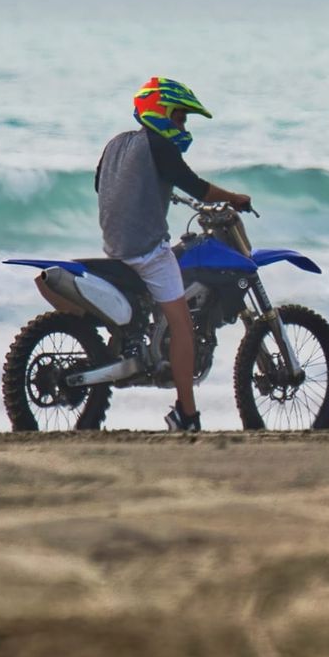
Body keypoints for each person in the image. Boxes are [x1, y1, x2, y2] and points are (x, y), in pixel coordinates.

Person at [94, 78, 252, 432]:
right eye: (179, 118)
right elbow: (197, 187)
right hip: (146, 253)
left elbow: (101, 185)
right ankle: (187, 414)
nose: (182, 126)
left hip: (115, 249)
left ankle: (134, 345)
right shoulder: (159, 146)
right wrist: (235, 198)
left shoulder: (116, 143)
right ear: (161, 112)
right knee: (183, 328)